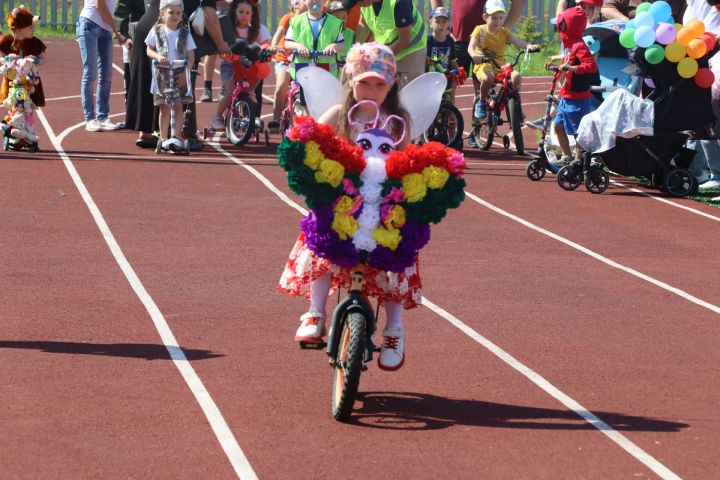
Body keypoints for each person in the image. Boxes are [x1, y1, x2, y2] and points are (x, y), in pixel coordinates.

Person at [278, 43, 415, 371]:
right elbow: (309, 141)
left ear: (391, 85)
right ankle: (315, 311)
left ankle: (394, 329)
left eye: (380, 84)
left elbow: (410, 161)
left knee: (398, 254)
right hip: (343, 202)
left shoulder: (397, 123)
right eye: (364, 82)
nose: (372, 90)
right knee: (320, 238)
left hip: (383, 205)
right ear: (350, 79)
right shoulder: (339, 116)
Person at [430, 0, 525, 146]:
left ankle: (477, 130)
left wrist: (501, 29)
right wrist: (443, 22)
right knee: (449, 88)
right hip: (458, 39)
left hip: (484, 45)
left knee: (481, 87)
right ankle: (450, 133)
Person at [468, 0, 540, 121]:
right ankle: (481, 102)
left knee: (516, 76)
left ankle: (516, 108)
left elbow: (517, 41)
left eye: (501, 18)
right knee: (488, 78)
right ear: (485, 17)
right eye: (494, 18)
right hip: (483, 63)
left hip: (500, 65)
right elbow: (471, 47)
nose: (498, 21)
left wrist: (528, 46)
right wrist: (474, 55)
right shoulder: (479, 30)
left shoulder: (504, 32)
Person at [546, 6, 598, 165]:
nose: (559, 29)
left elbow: (591, 66)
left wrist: (574, 69)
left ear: (568, 27)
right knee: (558, 127)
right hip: (566, 95)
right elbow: (568, 58)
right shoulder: (571, 46)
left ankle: (580, 159)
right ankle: (568, 156)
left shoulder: (580, 46)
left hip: (576, 97)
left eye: (561, 25)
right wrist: (555, 61)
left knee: (578, 132)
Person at [210, 0, 271, 131]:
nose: (244, 15)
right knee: (230, 90)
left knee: (259, 73)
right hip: (230, 67)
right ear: (234, 12)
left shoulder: (258, 30)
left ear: (252, 14)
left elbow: (266, 43)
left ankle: (251, 100)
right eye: (241, 12)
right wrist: (224, 50)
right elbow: (220, 44)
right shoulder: (227, 29)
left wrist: (264, 49)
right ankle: (218, 116)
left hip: (249, 67)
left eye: (247, 12)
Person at [146, 0, 196, 148]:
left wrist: (185, 72)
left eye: (178, 13)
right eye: (171, 12)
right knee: (164, 107)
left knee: (179, 105)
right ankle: (164, 137)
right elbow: (148, 49)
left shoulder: (185, 33)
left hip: (180, 73)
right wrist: (157, 56)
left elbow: (191, 54)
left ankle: (178, 137)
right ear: (162, 13)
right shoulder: (156, 30)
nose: (175, 15)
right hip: (162, 74)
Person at [343, 0, 426, 89]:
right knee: (383, 90)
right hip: (386, 50)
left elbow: (404, 39)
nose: (357, 5)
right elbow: (363, 24)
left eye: (357, 2)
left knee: (406, 92)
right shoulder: (365, 5)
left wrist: (381, 58)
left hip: (411, 51)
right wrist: (355, 51)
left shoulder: (399, 3)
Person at [77, 0, 123, 132]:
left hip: (106, 28)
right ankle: (90, 119)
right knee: (91, 73)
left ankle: (102, 116)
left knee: (107, 75)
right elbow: (99, 4)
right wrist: (116, 30)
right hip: (89, 24)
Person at [268, 0, 307, 133]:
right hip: (285, 58)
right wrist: (273, 45)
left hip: (302, 59)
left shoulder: (312, 19)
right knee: (282, 85)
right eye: (297, 2)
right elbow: (278, 33)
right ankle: (276, 118)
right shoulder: (288, 18)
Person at [284, 0, 345, 79]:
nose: (315, 1)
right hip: (303, 70)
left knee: (322, 90)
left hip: (326, 71)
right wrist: (298, 46)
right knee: (305, 91)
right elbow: (287, 43)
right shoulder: (296, 21)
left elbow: (341, 44)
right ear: (305, 1)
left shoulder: (334, 22)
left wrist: (334, 46)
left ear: (324, 1)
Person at [0, 6, 46, 109]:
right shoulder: (6, 42)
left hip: (30, 82)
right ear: (19, 29)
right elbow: (1, 58)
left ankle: (26, 124)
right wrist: (7, 59)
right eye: (30, 27)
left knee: (28, 109)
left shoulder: (35, 42)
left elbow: (43, 60)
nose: (33, 29)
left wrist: (35, 59)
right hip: (12, 82)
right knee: (14, 110)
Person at [113, 0, 146, 125]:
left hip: (158, 38)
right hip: (135, 38)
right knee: (133, 79)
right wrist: (125, 37)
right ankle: (131, 118)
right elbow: (121, 12)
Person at [426, 7, 460, 103]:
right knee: (433, 100)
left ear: (448, 24)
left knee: (450, 96)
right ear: (431, 23)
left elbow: (453, 60)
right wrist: (432, 61)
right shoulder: (428, 40)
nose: (441, 25)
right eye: (437, 22)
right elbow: (424, 58)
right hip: (431, 78)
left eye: (444, 22)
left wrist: (459, 71)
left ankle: (452, 114)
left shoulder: (450, 41)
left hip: (447, 76)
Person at [326, 0, 355, 66]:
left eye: (344, 17)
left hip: (345, 74)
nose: (341, 20)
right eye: (337, 17)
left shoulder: (352, 35)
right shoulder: (323, 33)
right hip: (326, 73)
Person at [602, 0, 687, 22]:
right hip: (630, 48)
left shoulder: (680, 1)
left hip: (665, 53)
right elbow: (606, 9)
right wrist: (625, 21)